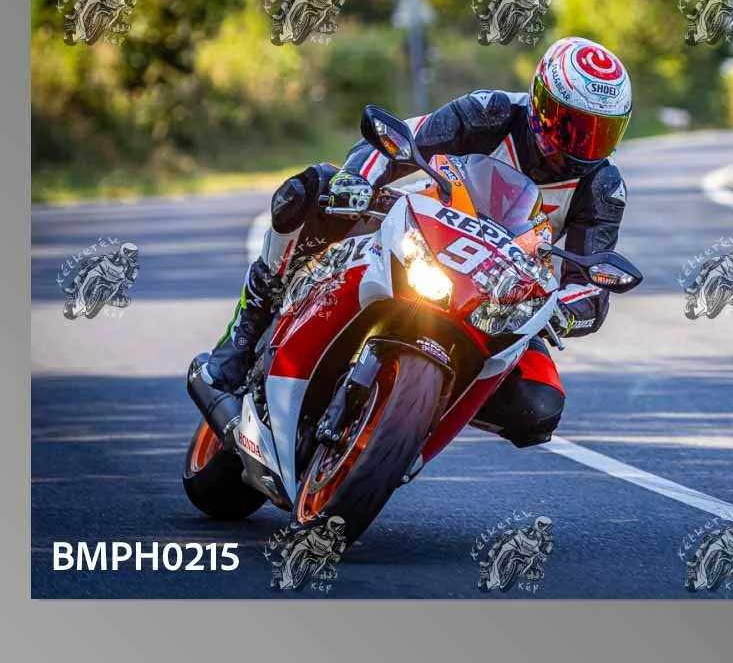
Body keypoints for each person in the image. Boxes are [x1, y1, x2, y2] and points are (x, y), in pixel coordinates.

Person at [188, 36, 633, 451]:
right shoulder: (492, 112)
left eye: (601, 133)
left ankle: (405, 429)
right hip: (418, 230)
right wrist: (356, 182)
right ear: (540, 104)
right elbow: (402, 137)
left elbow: (590, 282)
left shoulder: (603, 187)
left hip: (497, 294)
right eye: (572, 127)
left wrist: (562, 309)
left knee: (539, 407)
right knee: (309, 191)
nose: (583, 145)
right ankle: (244, 335)